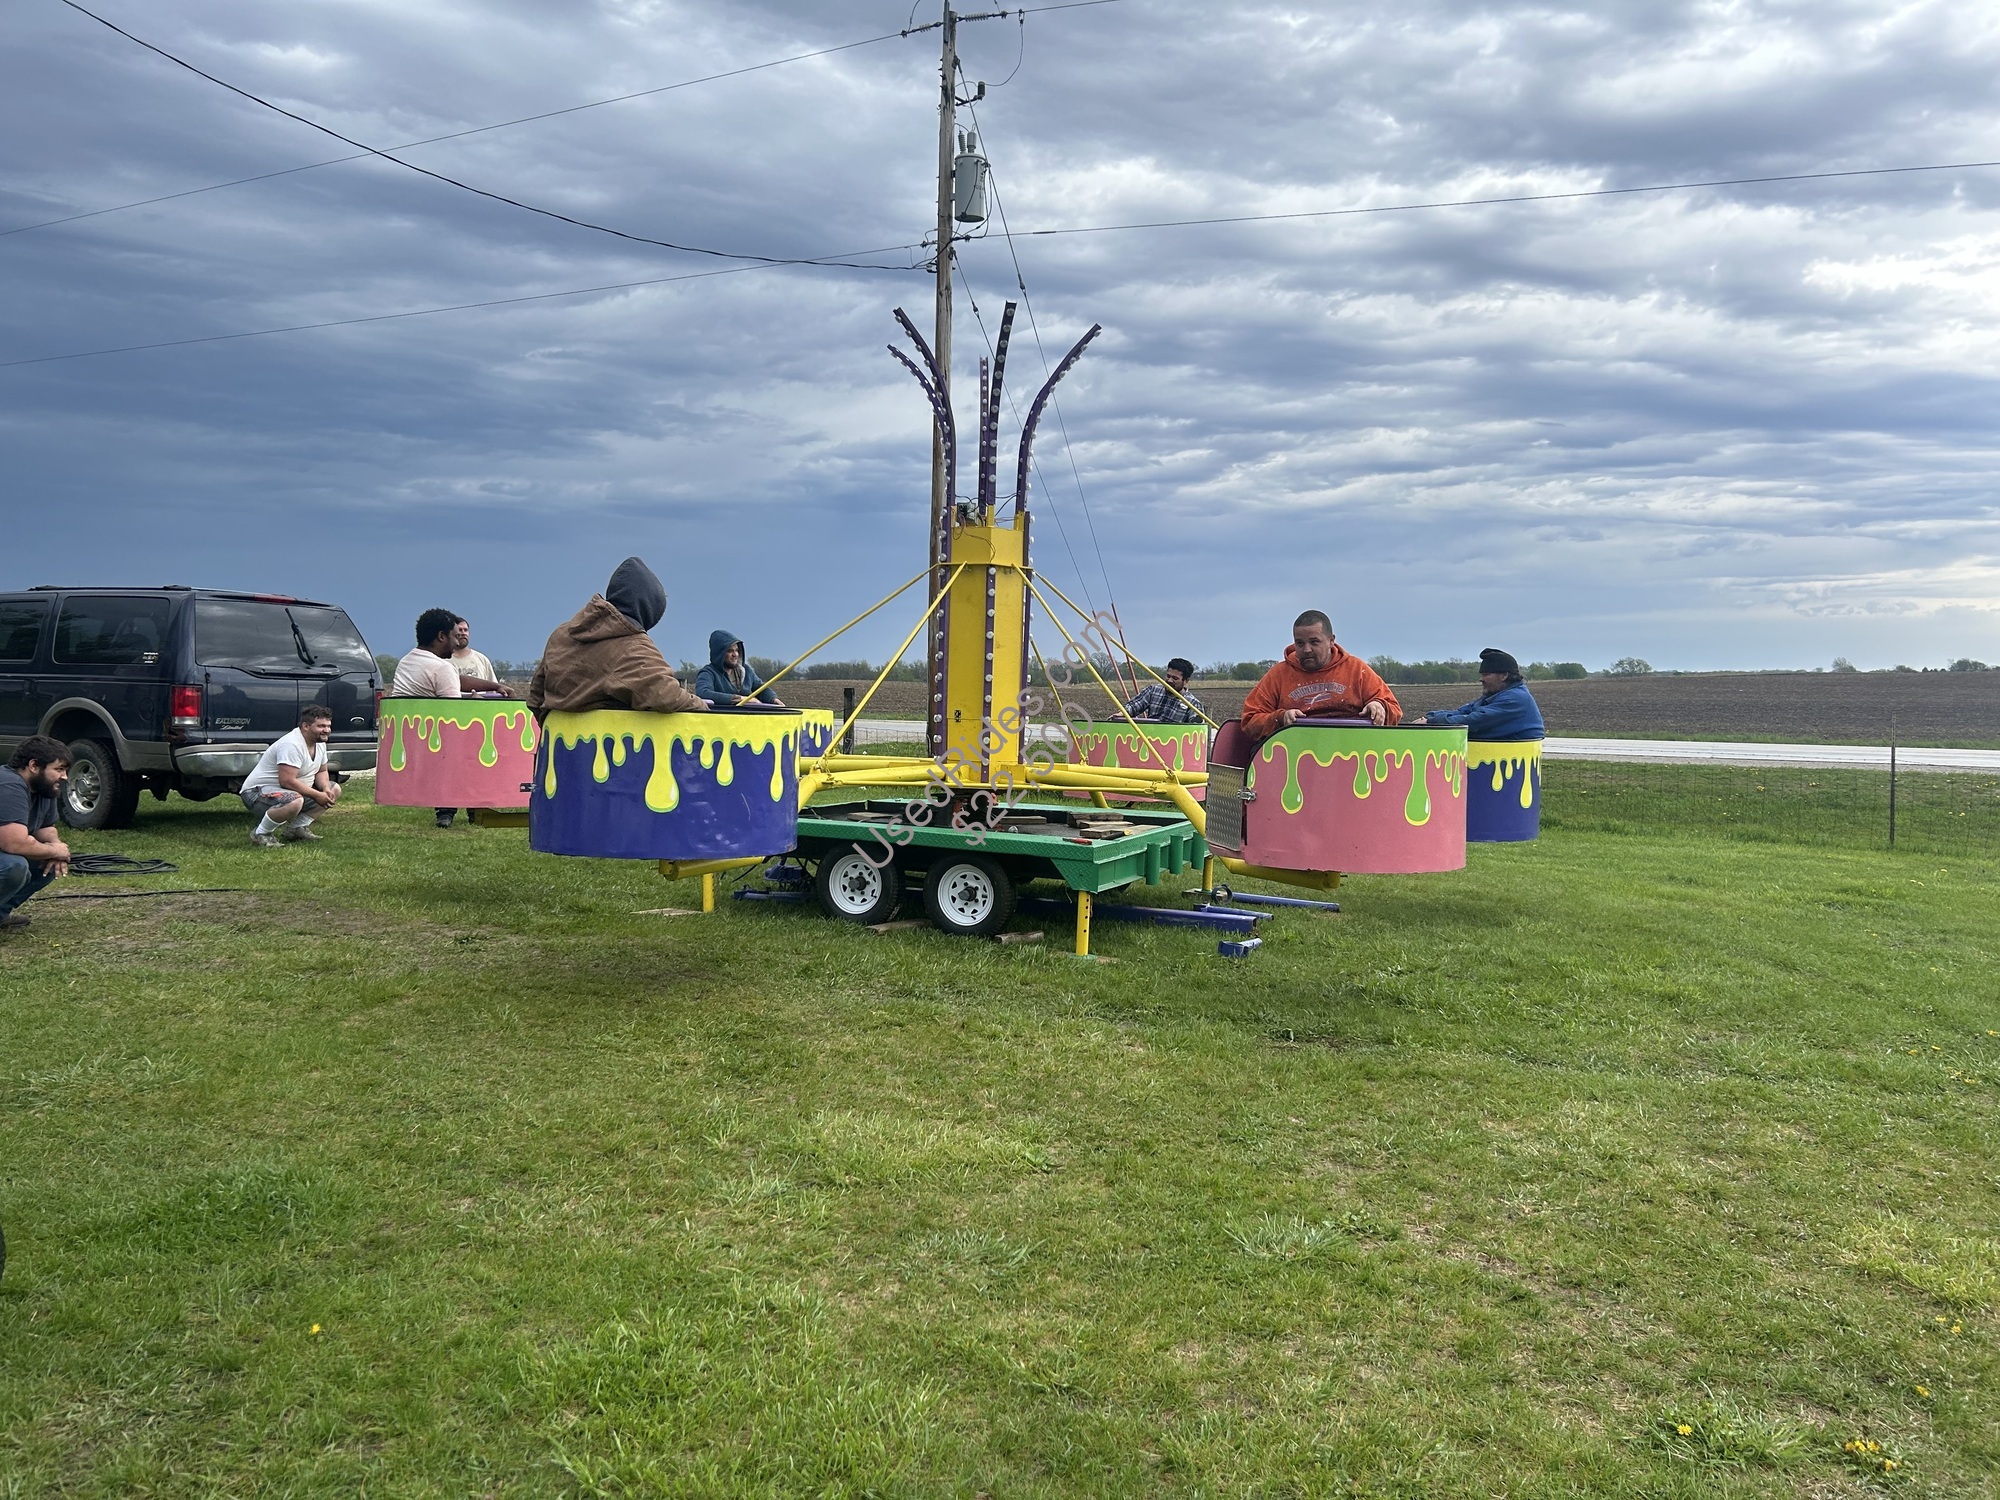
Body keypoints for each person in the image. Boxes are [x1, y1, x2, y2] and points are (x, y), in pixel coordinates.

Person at [526, 557, 708, 718]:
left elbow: (535, 698)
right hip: (608, 745)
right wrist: (702, 705)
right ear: (648, 609)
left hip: (555, 743)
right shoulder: (631, 646)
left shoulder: (561, 633)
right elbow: (666, 696)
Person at [1240, 610, 1401, 741]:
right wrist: (1281, 718)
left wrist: (1379, 706)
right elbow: (1250, 720)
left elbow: (1394, 710)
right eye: (1300, 643)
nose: (1306, 649)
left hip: (1353, 749)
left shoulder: (1357, 670)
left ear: (1331, 641)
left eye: (1314, 642)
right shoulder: (1278, 675)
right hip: (1295, 751)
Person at [242, 703, 341, 848]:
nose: (326, 730)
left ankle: (296, 829)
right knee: (294, 800)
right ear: (305, 726)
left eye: (328, 726)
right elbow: (287, 781)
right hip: (255, 793)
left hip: (290, 792)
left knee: (334, 789)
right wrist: (317, 795)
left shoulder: (319, 742)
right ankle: (261, 833)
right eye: (321, 726)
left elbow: (321, 771)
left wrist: (325, 789)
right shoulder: (292, 744)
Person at [0, 736, 73, 931]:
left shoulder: (43, 788)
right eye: (59, 769)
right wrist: (54, 851)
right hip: (7, 850)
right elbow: (13, 843)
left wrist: (56, 846)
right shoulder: (9, 785)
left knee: (47, 865)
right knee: (14, 866)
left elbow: (45, 827)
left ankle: (0, 914)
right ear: (34, 766)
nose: (64, 776)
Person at [1414, 648, 1546, 739]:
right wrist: (1431, 717)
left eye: (1486, 674)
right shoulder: (1495, 695)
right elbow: (1464, 711)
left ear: (1504, 676)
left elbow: (1475, 721)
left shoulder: (1515, 698)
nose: (1481, 679)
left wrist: (1432, 722)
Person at [391, 609, 508, 699]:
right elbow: (454, 712)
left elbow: (455, 679)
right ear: (441, 636)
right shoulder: (442, 668)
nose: (457, 642)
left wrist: (496, 686)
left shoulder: (406, 662)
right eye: (455, 636)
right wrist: (476, 702)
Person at [695, 631, 785, 707]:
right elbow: (703, 693)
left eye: (737, 650)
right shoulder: (707, 673)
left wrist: (773, 699)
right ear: (719, 654)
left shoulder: (747, 671)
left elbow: (761, 689)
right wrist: (740, 699)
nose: (735, 655)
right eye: (730, 651)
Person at [1123, 657, 1205, 724]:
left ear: (1186, 681)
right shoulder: (1153, 690)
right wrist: (1123, 712)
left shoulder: (1193, 704)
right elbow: (1133, 706)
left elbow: (1196, 730)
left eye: (1175, 678)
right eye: (1168, 676)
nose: (1169, 680)